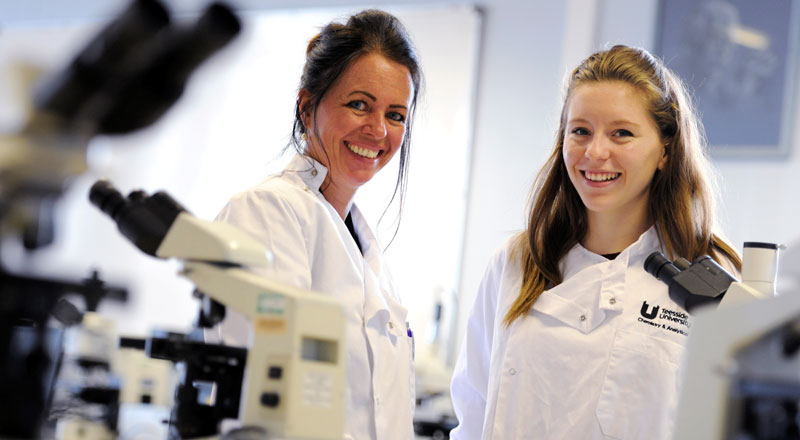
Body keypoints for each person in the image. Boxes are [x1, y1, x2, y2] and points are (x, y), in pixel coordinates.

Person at [449, 45, 741, 439]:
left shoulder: (715, 277)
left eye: (622, 133)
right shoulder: (517, 263)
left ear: (665, 152)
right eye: (580, 131)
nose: (595, 152)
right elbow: (473, 410)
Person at [210, 9, 422, 440]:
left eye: (396, 115)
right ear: (308, 108)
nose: (378, 130)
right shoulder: (268, 212)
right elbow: (270, 398)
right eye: (358, 104)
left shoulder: (362, 244)